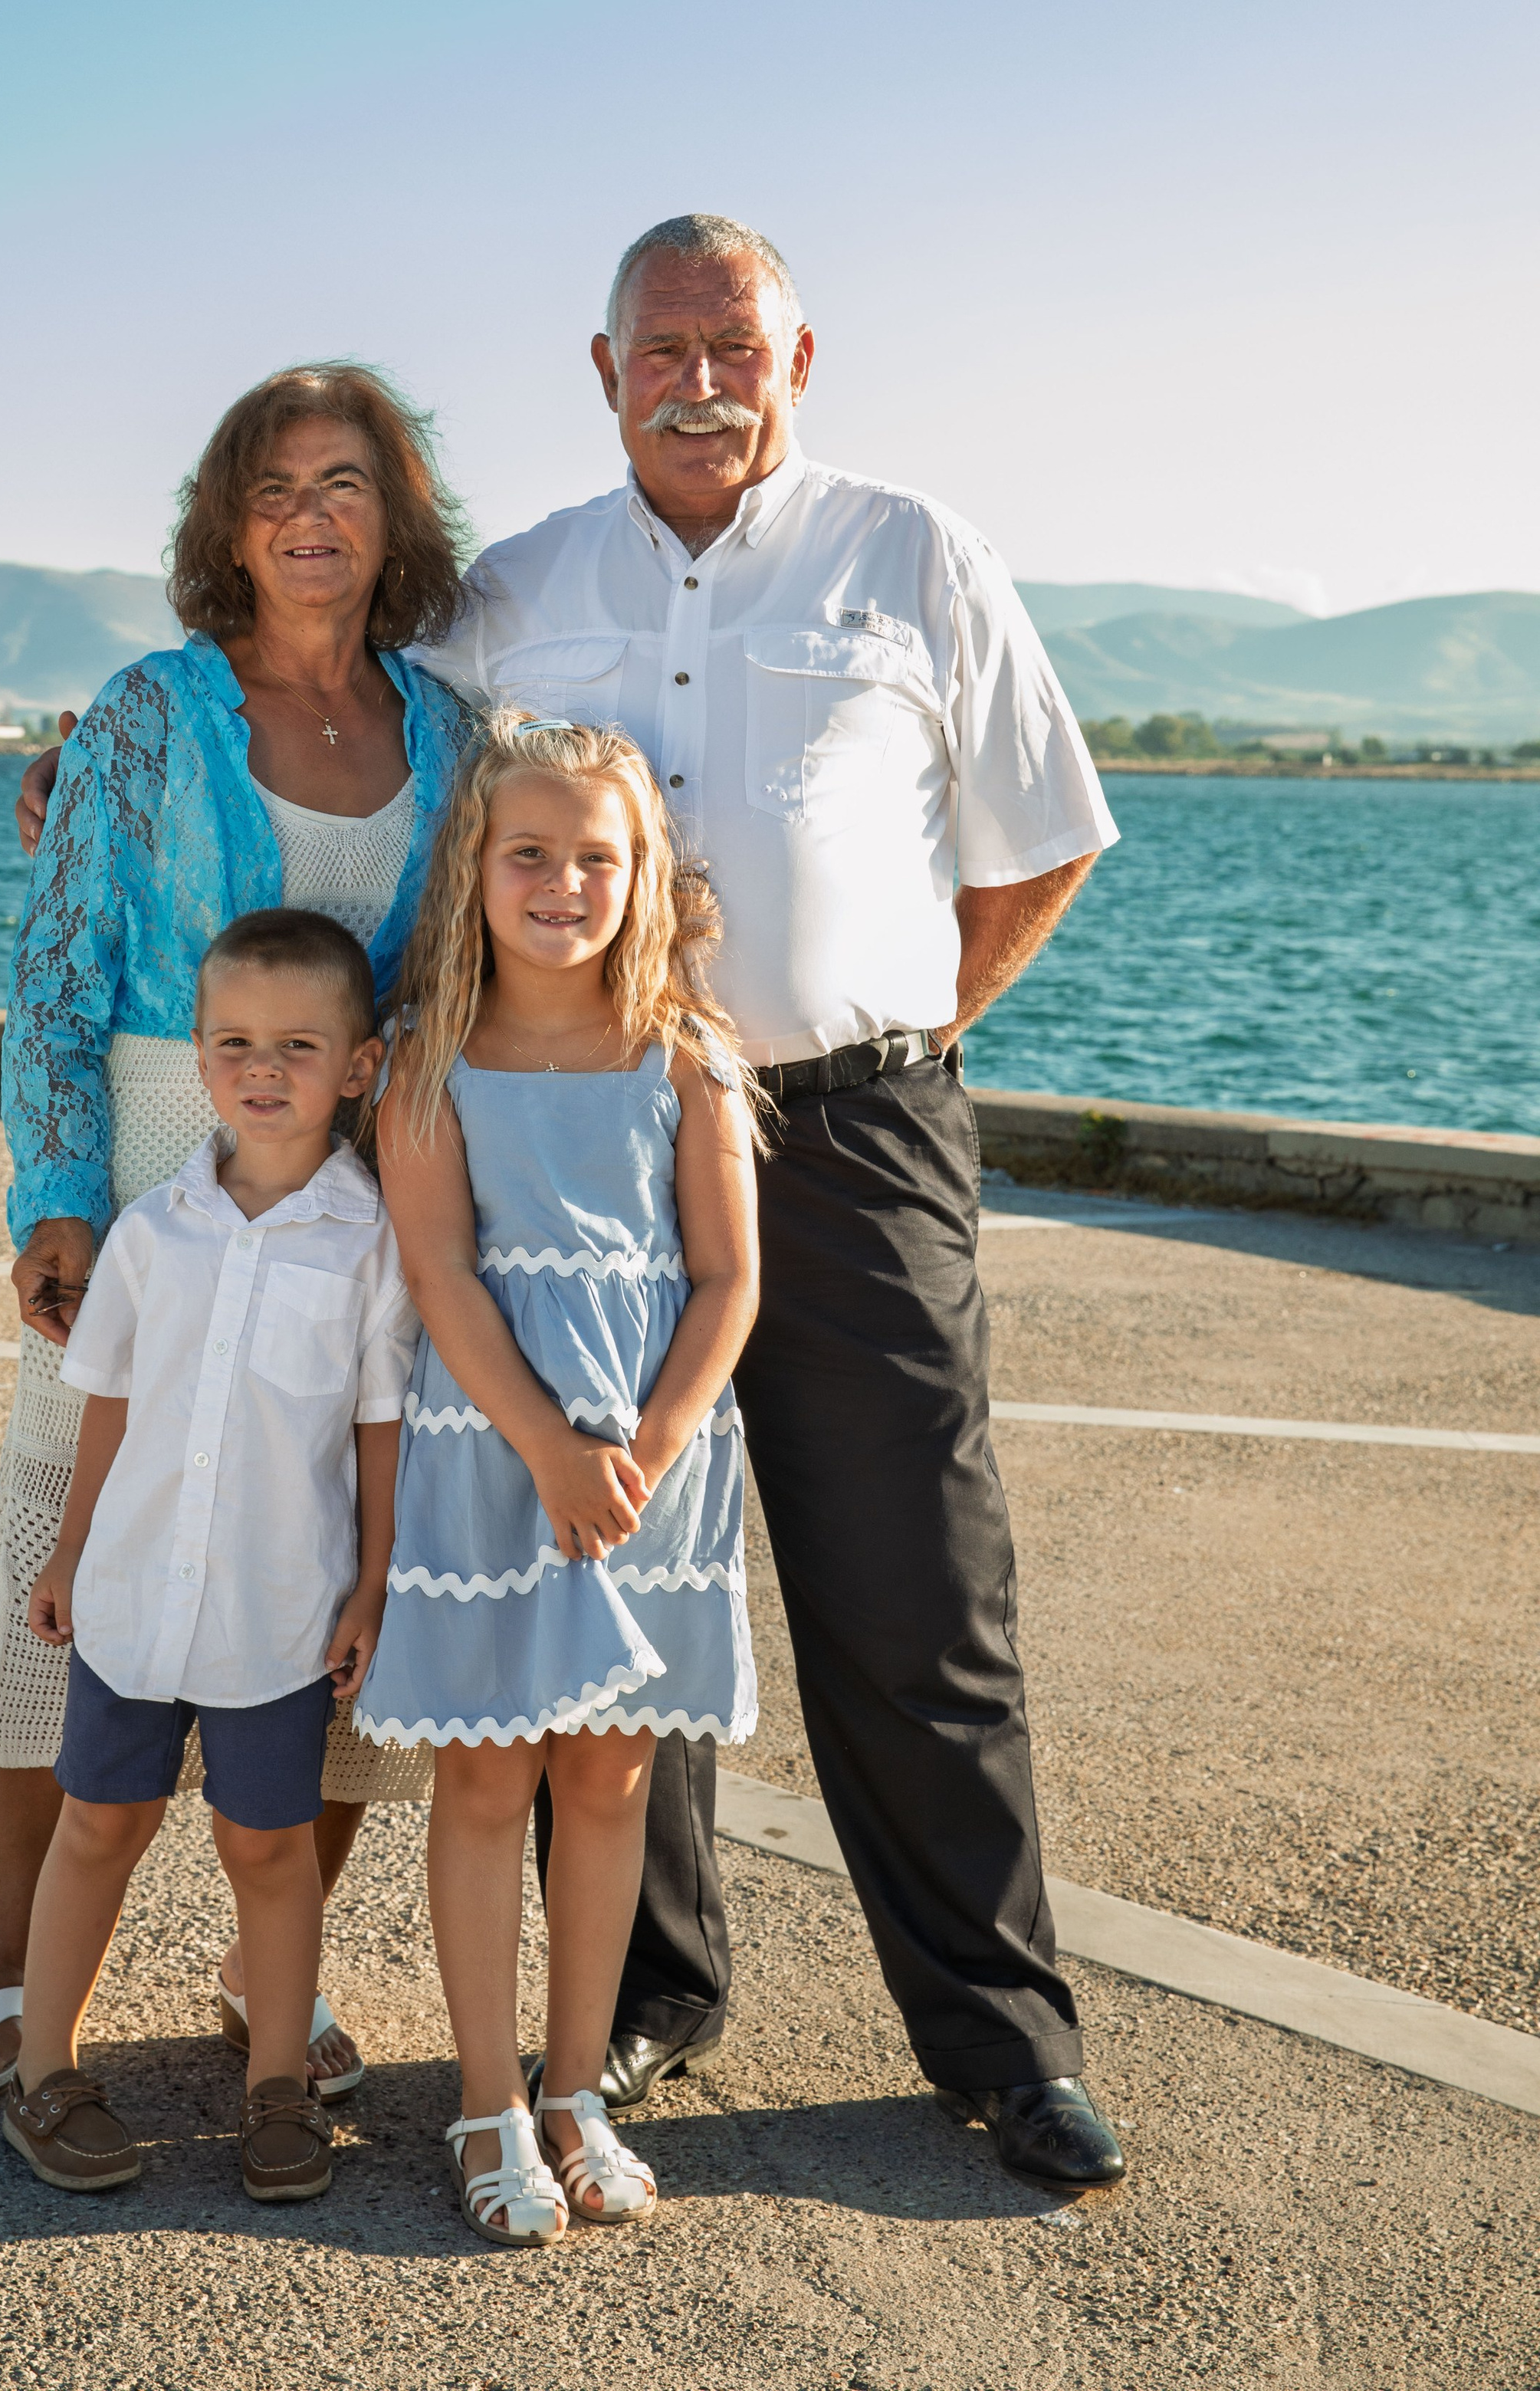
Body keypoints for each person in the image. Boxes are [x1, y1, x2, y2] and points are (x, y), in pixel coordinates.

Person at [408, 215, 1128, 2189]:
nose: (698, 378)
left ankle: (1001, 2039)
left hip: (852, 1132)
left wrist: (905, 1029)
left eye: (733, 342)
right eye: (660, 346)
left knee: (917, 1593)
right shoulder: (516, 586)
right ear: (602, 369)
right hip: (587, 1144)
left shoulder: (915, 553)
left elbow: (1039, 839)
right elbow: (363, 759)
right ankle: (640, 2002)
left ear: (797, 359)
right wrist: (97, 759)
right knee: (612, 1562)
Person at [0, 363, 470, 2105]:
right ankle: (8, 1962)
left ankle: (266, 1962)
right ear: (227, 525)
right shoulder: (147, 714)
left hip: (364, 1196)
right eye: (275, 487)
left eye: (346, 483)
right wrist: (58, 1196)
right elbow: (57, 971)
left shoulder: (454, 732)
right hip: (160, 1158)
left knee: (327, 1556)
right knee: (66, 1551)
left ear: (395, 518)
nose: (310, 517)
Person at [356, 711, 761, 2245]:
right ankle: (484, 2100)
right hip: (491, 1454)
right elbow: (440, 1275)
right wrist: (545, 1445)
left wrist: (636, 1460)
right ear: (473, 865)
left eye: (597, 858)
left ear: (642, 874)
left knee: (607, 1777)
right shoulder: (427, 1056)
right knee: (486, 1776)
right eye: (528, 853)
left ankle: (576, 2089)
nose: (561, 885)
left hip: (653, 1470)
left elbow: (726, 1281)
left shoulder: (685, 1053)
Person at [0, 910, 415, 2203]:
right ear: (197, 1058)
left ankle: (278, 2087)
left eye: (298, 1045)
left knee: (270, 1850)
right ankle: (43, 2072)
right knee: (98, 1824)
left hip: (277, 1613)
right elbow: (109, 1400)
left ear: (359, 1066)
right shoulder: (152, 1229)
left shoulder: (372, 1243)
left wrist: (373, 1586)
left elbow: (380, 1429)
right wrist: (68, 1553)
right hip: (131, 1595)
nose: (263, 1068)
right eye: (234, 1042)